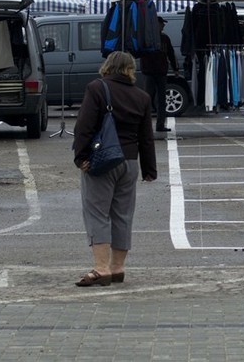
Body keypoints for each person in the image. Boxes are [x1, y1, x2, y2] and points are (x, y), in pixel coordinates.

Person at [71, 51, 156, 287]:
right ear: (130, 69)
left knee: (98, 213)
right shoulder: (141, 96)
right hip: (129, 163)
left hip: (102, 161)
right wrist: (150, 168)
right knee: (123, 215)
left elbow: (83, 127)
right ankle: (118, 268)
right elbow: (146, 137)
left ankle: (101, 268)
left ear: (107, 66)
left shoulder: (97, 88)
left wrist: (81, 157)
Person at [139, 17, 179, 134]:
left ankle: (160, 124)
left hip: (160, 72)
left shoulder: (165, 38)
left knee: (161, 100)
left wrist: (175, 68)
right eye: (162, 24)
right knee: (148, 99)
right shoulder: (147, 38)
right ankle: (145, 126)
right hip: (150, 72)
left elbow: (171, 53)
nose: (163, 26)